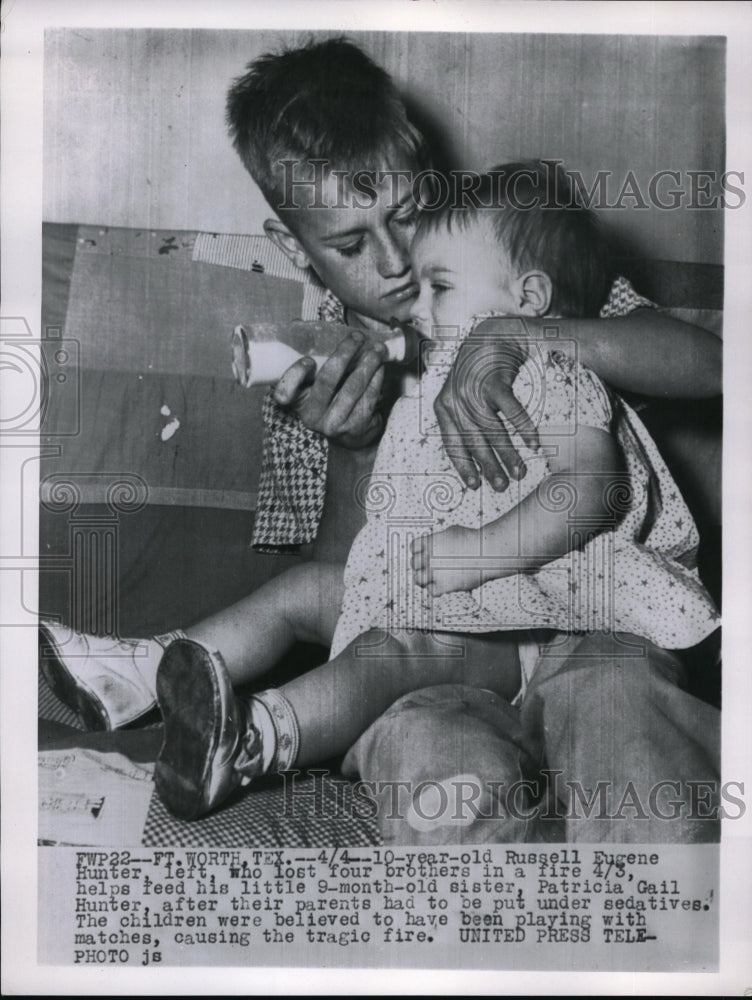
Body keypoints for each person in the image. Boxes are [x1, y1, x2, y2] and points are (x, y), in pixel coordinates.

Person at [39, 39, 721, 842]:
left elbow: (708, 365)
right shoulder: (314, 368)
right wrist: (354, 445)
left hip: (591, 625)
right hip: (424, 667)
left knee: (622, 722)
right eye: (353, 245)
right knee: (441, 774)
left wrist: (514, 333)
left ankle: (667, 922)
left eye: (404, 215)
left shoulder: (499, 247)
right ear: (297, 249)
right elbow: (350, 592)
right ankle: (172, 688)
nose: (398, 265)